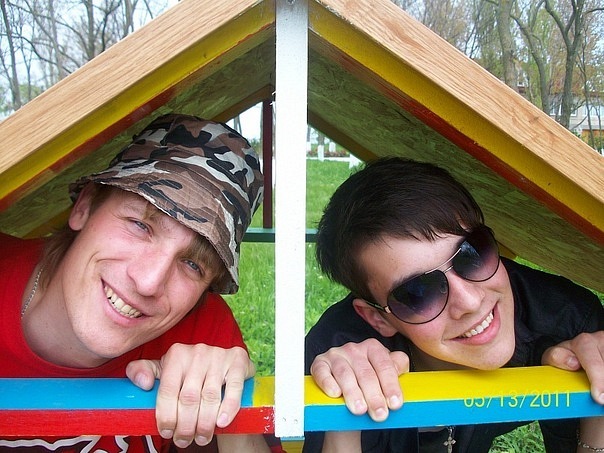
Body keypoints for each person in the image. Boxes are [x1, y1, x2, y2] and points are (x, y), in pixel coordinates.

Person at [0, 113, 275, 452]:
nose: (148, 283)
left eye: (192, 264)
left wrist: (233, 412)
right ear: (85, 206)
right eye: (140, 225)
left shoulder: (202, 334)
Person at [304, 157, 604, 452]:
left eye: (472, 254)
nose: (470, 301)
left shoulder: (571, 323)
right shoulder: (336, 361)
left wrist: (599, 406)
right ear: (377, 318)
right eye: (418, 292)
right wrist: (342, 422)